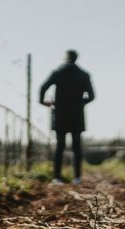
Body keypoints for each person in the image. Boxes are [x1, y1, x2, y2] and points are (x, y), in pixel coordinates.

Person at [39, 49, 95, 184]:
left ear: (65, 58)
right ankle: (77, 177)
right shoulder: (84, 74)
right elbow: (92, 95)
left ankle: (57, 177)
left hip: (60, 113)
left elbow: (43, 87)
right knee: (77, 146)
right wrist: (81, 103)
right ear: (76, 59)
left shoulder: (57, 72)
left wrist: (44, 101)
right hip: (77, 114)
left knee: (60, 146)